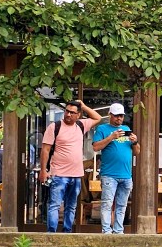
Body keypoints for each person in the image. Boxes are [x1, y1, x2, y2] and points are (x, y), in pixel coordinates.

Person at [37, 96, 99, 236]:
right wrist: (43, 170)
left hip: (76, 174)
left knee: (71, 207)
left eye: (72, 112)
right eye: (67, 111)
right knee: (54, 205)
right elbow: (45, 150)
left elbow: (97, 118)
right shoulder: (55, 126)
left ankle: (66, 233)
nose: (68, 114)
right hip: (58, 173)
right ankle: (51, 234)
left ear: (78, 115)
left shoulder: (81, 125)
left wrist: (83, 106)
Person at [90, 103, 137, 235]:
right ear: (110, 115)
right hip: (109, 174)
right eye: (116, 116)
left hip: (126, 175)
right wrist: (111, 137)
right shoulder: (102, 129)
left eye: (121, 116)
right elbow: (95, 147)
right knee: (107, 203)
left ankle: (118, 230)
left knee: (122, 205)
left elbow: (137, 152)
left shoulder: (126, 128)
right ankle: (106, 231)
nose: (119, 118)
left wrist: (135, 142)